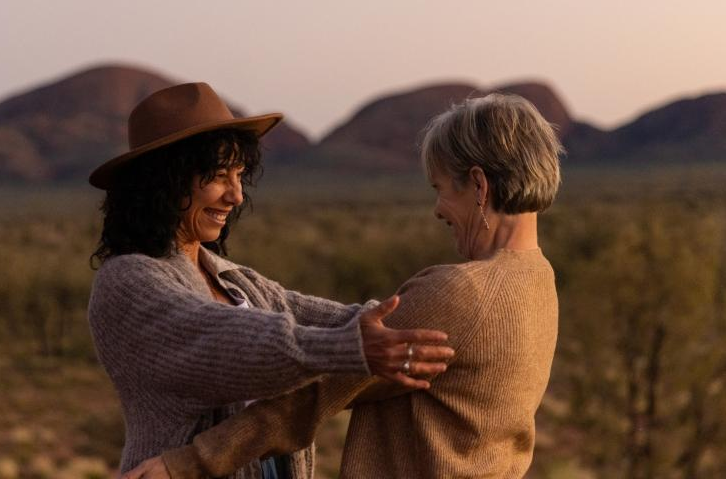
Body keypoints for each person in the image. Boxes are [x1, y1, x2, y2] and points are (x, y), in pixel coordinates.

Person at [124, 93, 563, 479]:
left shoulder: (462, 290)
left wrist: (188, 463)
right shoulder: (539, 280)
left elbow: (314, 397)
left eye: (441, 187)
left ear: (480, 185)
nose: (438, 209)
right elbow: (304, 312)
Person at [87, 82, 455, 478]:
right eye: (217, 176)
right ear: (163, 182)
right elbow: (223, 341)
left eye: (240, 175)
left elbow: (329, 317)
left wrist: (428, 324)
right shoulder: (126, 283)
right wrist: (348, 347)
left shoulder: (233, 280)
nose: (236, 196)